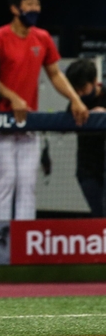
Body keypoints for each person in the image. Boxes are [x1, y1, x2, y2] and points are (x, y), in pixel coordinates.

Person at [0, 0, 89, 220]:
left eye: (37, 4)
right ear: (15, 8)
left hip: (29, 122)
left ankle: (24, 242)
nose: (35, 8)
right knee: (6, 179)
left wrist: (75, 99)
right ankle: (1, 237)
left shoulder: (42, 38)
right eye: (29, 4)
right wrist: (12, 97)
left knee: (28, 182)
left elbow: (55, 73)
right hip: (1, 120)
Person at [64, 59, 105, 218]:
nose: (79, 94)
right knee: (99, 215)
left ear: (95, 82)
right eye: (75, 89)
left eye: (83, 88)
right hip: (87, 170)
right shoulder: (74, 103)